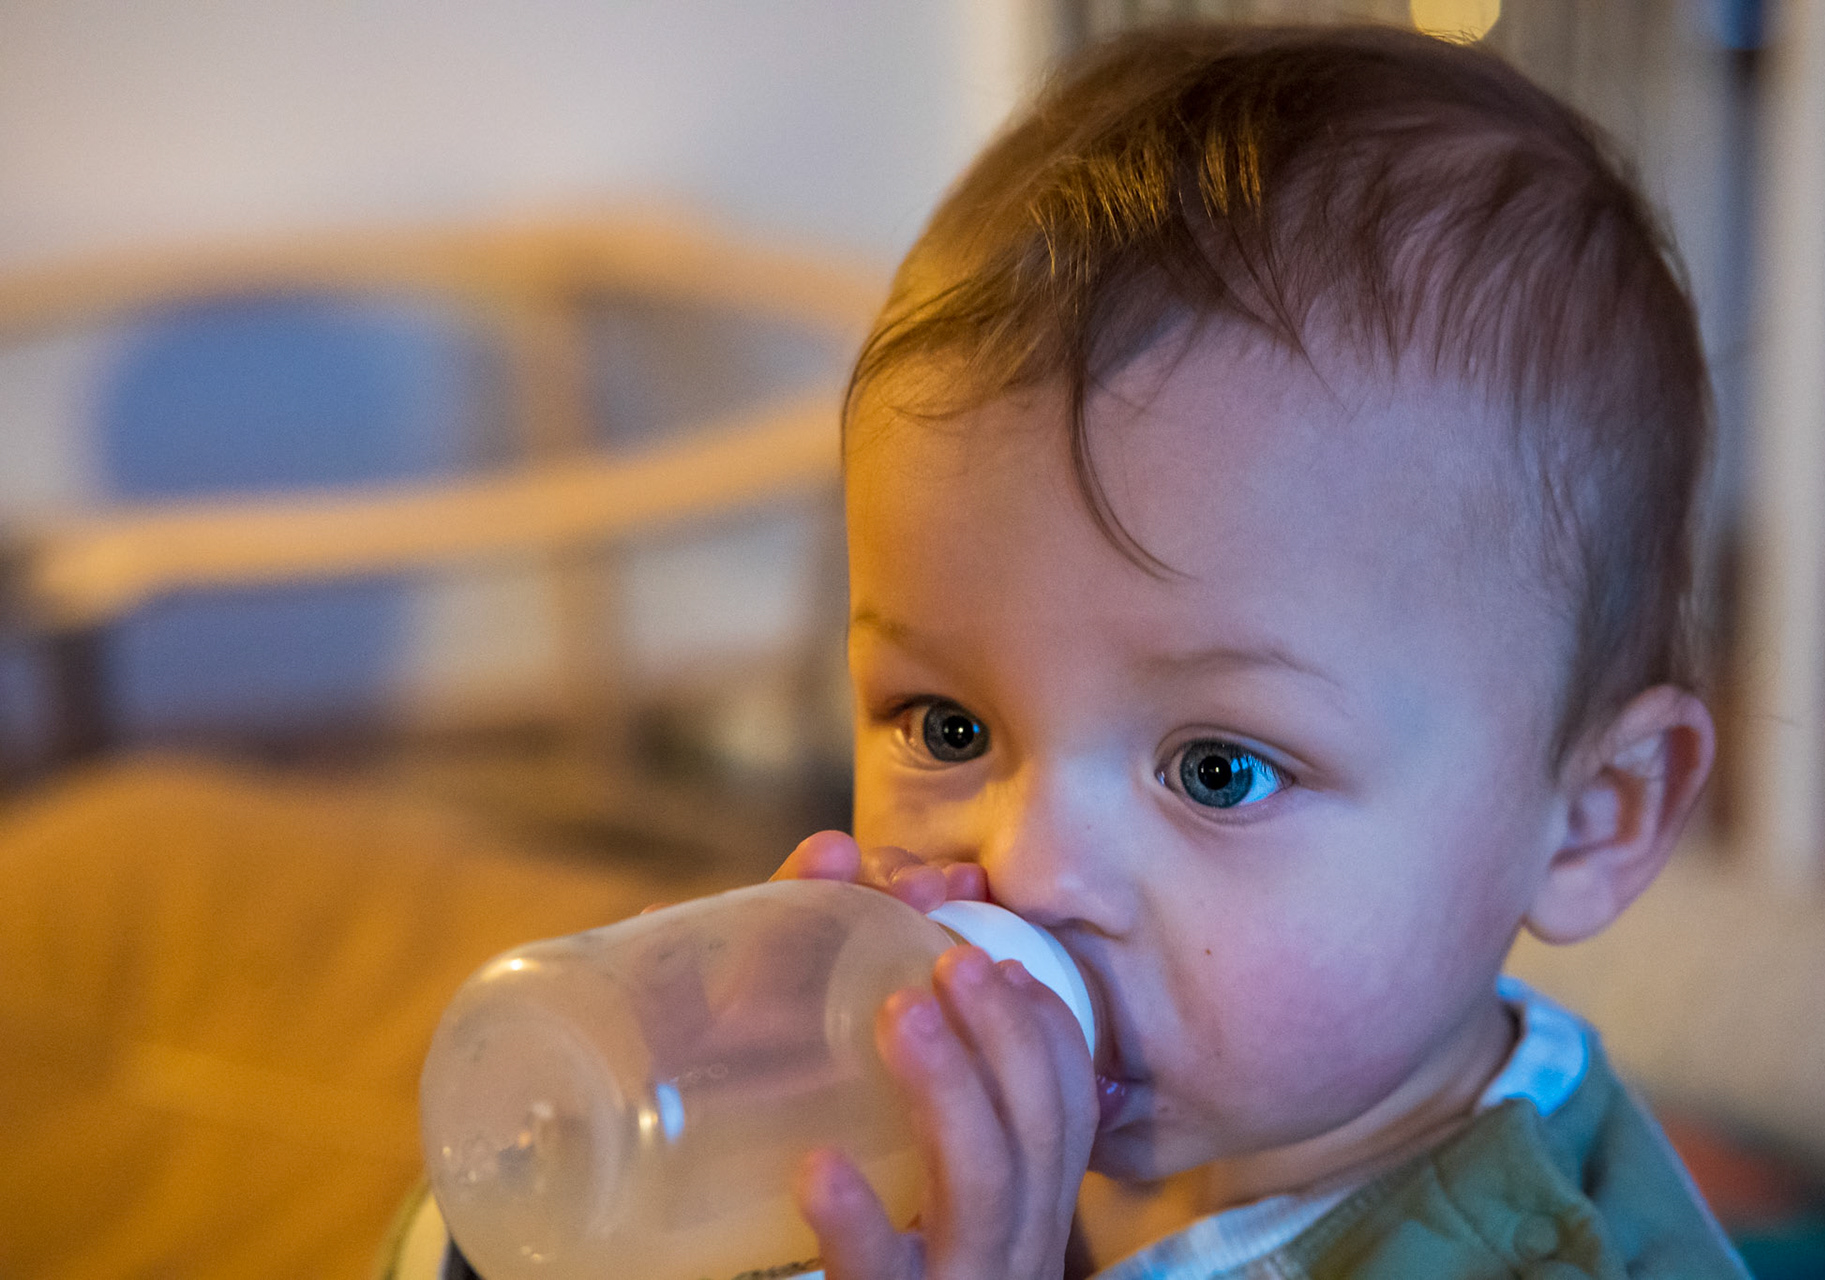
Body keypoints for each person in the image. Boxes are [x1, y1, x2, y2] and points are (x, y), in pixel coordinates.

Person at [388, 21, 1747, 1280]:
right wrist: (695, 1161)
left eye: (1218, 770)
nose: (1030, 874)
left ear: (1595, 817)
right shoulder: (928, 1108)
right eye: (948, 727)